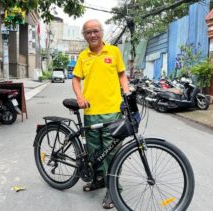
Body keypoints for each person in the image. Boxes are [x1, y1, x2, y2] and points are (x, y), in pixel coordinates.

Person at [72, 19, 129, 209]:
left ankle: (113, 191)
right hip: (91, 112)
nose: (92, 35)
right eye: (88, 32)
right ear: (84, 35)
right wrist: (80, 97)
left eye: (95, 31)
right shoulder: (83, 56)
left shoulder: (113, 52)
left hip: (112, 112)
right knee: (95, 154)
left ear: (101, 32)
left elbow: (122, 74)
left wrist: (126, 92)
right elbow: (75, 80)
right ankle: (98, 181)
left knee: (112, 154)